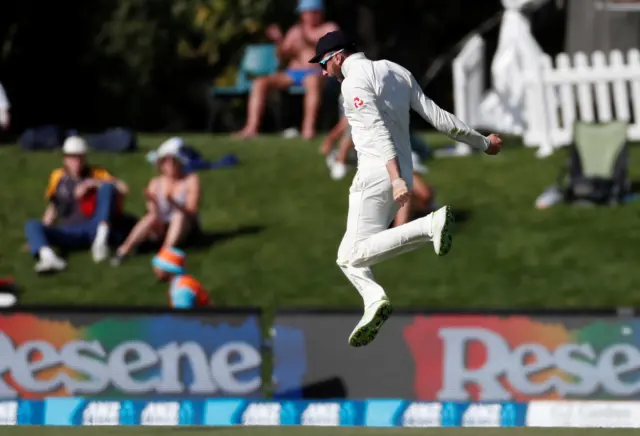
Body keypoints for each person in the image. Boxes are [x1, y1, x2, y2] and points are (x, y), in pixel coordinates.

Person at [309, 30, 503, 347]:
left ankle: (428, 225)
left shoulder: (352, 83)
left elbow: (376, 129)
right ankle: (374, 300)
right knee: (350, 256)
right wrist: (483, 143)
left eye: (323, 63)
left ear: (339, 57)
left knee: (351, 256)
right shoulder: (396, 71)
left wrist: (394, 177)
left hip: (377, 174)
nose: (322, 71)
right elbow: (440, 119)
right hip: (403, 173)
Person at [233, 0, 338, 140]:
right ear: (302, 14)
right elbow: (282, 56)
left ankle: (308, 129)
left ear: (321, 13)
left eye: (314, 12)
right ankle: (251, 128)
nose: (311, 16)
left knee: (312, 82)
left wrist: (307, 40)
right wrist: (279, 42)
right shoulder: (295, 30)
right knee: (260, 82)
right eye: (307, 13)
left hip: (316, 74)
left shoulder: (329, 28)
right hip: (293, 73)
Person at [24, 136, 129, 273]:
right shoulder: (58, 177)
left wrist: (92, 183)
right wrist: (40, 234)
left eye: (80, 157)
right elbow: (53, 207)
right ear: (65, 159)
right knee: (32, 225)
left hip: (94, 225)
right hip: (69, 230)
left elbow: (124, 188)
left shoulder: (97, 173)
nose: (77, 162)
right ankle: (48, 258)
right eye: (72, 158)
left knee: (107, 187)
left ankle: (101, 241)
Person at [111, 138, 201, 265]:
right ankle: (124, 250)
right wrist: (152, 201)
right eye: (166, 161)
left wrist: (174, 202)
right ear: (161, 164)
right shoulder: (156, 183)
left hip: (186, 226)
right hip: (162, 226)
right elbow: (154, 213)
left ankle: (165, 253)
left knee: (178, 216)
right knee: (151, 216)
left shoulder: (190, 179)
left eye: (173, 161)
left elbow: (191, 210)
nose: (169, 165)